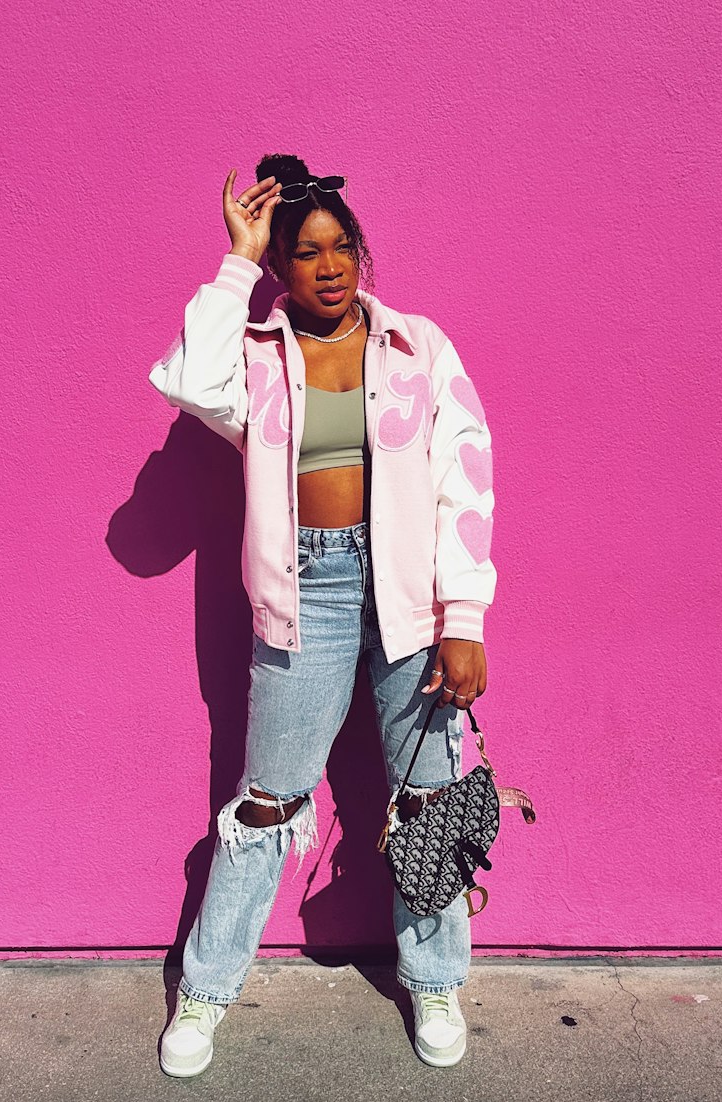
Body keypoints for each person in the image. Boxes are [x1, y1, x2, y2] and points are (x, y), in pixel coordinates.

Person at [148, 155, 496, 1076]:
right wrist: (236, 258)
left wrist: (465, 615)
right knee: (266, 805)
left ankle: (434, 977)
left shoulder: (419, 346)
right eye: (307, 254)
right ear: (283, 269)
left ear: (363, 254)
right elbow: (185, 377)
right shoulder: (259, 359)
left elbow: (466, 471)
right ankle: (207, 991)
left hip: (412, 599)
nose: (332, 266)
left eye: (344, 248)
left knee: (428, 796)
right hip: (308, 593)